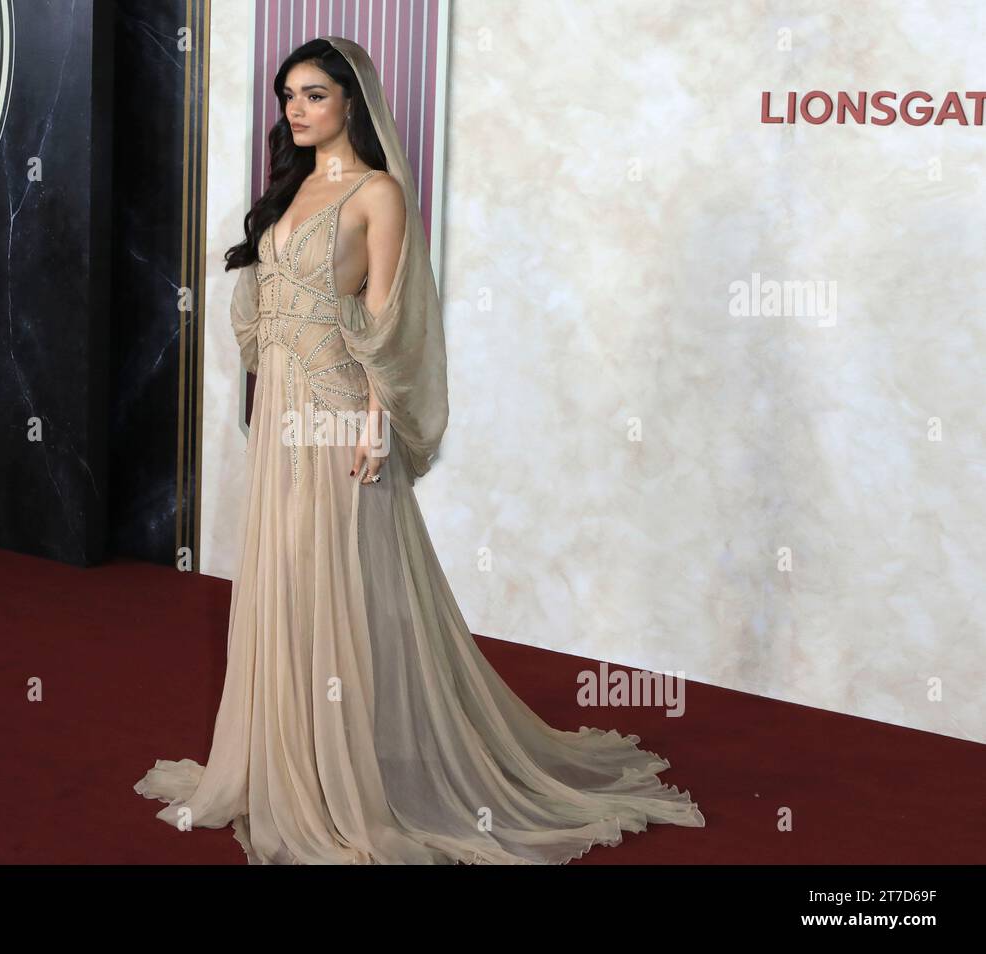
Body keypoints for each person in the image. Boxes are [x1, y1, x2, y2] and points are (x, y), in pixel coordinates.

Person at [134, 35, 706, 864]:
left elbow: (392, 323)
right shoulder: (287, 192)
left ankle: (354, 778)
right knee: (285, 579)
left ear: (351, 104)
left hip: (339, 419)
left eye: (315, 95)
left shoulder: (379, 194)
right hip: (284, 414)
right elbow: (265, 315)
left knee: (348, 585)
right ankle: (292, 760)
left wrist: (374, 420)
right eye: (288, 95)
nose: (296, 110)